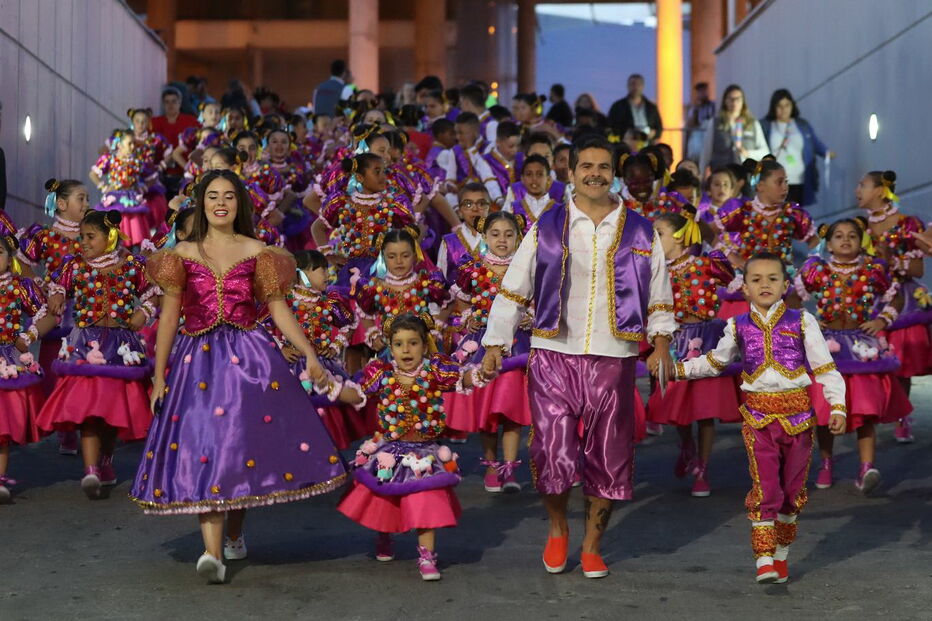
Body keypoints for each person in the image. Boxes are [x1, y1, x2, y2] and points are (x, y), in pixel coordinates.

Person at [129, 170, 347, 584]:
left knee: (237, 447)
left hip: (250, 362)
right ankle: (212, 552)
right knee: (207, 447)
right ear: (202, 202)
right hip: (196, 363)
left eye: (229, 195)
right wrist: (158, 375)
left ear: (240, 204)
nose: (220, 202)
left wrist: (309, 353)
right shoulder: (181, 254)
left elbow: (280, 308)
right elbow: (169, 316)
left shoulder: (259, 251)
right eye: (212, 196)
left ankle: (233, 533)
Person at [481, 135, 677, 579]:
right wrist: (496, 342)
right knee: (551, 452)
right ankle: (557, 528)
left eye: (603, 167)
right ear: (570, 173)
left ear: (614, 174)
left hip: (614, 354)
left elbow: (659, 292)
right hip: (553, 352)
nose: (594, 173)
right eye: (585, 165)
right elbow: (515, 286)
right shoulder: (548, 224)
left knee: (609, 454)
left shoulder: (641, 229)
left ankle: (592, 544)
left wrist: (661, 341)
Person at [669, 251, 847, 585]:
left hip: (799, 419)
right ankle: (764, 558)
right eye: (756, 279)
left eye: (772, 278)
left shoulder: (802, 321)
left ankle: (780, 555)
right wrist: (677, 369)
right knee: (766, 487)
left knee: (792, 493)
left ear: (785, 285)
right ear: (745, 289)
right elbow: (715, 362)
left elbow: (825, 368)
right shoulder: (736, 325)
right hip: (758, 418)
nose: (764, 284)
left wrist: (837, 406)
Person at [324, 312, 484, 581]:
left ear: (424, 345)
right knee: (385, 501)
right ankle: (384, 537)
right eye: (398, 344)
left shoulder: (435, 371)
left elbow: (462, 379)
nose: (406, 349)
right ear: (390, 347)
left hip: (425, 451)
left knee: (425, 503)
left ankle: (426, 555)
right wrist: (331, 387)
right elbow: (357, 393)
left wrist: (482, 373)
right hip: (390, 449)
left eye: (413, 343)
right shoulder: (381, 374)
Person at [37, 210, 156, 499]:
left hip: (120, 348)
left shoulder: (132, 266)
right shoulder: (74, 266)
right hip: (84, 346)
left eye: (90, 237)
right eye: (81, 237)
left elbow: (154, 292)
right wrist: (55, 297)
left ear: (110, 236)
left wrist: (144, 311)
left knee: (110, 415)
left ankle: (105, 460)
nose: (83, 243)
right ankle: (90, 469)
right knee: (89, 414)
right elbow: (56, 287)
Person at [795, 219, 910, 494]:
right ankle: (825, 463)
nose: (845, 240)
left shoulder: (873, 269)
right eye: (838, 236)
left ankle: (866, 467)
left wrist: (882, 320)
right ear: (829, 243)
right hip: (827, 347)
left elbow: (897, 297)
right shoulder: (816, 270)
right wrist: (807, 321)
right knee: (825, 411)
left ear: (861, 242)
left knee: (864, 410)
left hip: (862, 349)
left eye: (851, 236)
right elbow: (792, 297)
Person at [647, 210, 741, 497]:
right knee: (679, 404)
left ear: (679, 237)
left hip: (707, 338)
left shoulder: (707, 264)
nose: (654, 240)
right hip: (674, 341)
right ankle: (686, 445)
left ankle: (703, 466)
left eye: (659, 234)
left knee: (705, 410)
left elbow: (736, 283)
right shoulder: (655, 271)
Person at [445, 212, 532, 493]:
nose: (502, 240)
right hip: (480, 345)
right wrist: (465, 320)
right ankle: (492, 464)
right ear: (484, 237)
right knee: (487, 412)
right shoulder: (472, 269)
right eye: (496, 234)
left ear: (519, 237)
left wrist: (531, 316)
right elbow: (458, 311)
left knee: (510, 408)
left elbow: (541, 305)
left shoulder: (527, 269)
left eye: (509, 234)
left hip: (517, 345)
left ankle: (509, 467)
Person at [859, 170, 930, 443]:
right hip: (868, 298)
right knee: (868, 358)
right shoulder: (858, 227)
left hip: (902, 299)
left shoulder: (906, 223)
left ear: (880, 190)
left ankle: (903, 416)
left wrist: (891, 263)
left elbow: (918, 267)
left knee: (901, 363)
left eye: (862, 185)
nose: (857, 191)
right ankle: (874, 410)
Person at [0, 233, 58, 502]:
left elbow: (47, 315)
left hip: (7, 360)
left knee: (1, 427)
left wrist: (28, 337)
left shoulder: (19, 286)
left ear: (10, 258)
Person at [760, 89, 833, 207]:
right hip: (776, 179)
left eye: (787, 105)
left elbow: (815, 142)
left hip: (799, 179)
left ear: (792, 106)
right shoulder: (766, 125)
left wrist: (826, 153)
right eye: (779, 106)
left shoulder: (802, 125)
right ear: (773, 107)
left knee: (797, 214)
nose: (783, 109)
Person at [699, 84, 769, 175]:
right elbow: (706, 152)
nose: (734, 102)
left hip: (746, 174)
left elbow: (765, 152)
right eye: (730, 99)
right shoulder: (715, 123)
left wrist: (748, 153)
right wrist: (701, 173)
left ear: (743, 101)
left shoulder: (753, 123)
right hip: (722, 175)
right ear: (725, 101)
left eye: (738, 99)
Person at [151, 86, 200, 197]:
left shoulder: (191, 121)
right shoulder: (154, 122)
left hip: (185, 172)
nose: (170, 105)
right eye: (167, 102)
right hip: (161, 173)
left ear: (180, 103)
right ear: (163, 104)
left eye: (174, 101)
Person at [608, 74, 663, 143]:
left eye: (638, 84)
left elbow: (659, 127)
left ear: (643, 86)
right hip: (626, 144)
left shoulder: (651, 108)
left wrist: (653, 133)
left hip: (647, 144)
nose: (635, 87)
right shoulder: (618, 107)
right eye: (632, 84)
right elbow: (611, 126)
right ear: (628, 86)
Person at [685, 82, 716, 162]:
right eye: (700, 92)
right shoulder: (694, 108)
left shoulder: (713, 105)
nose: (702, 94)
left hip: (710, 135)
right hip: (697, 138)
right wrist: (696, 109)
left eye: (704, 91)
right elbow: (690, 124)